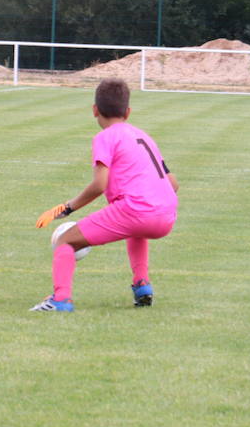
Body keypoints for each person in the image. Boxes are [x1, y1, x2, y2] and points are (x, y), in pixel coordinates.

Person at [31, 78, 178, 312]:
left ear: (94, 110)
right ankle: (142, 287)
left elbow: (100, 184)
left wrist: (67, 208)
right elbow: (173, 183)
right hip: (167, 214)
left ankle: (60, 300)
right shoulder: (144, 137)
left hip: (136, 211)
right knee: (136, 230)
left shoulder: (104, 137)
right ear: (128, 112)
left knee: (65, 240)